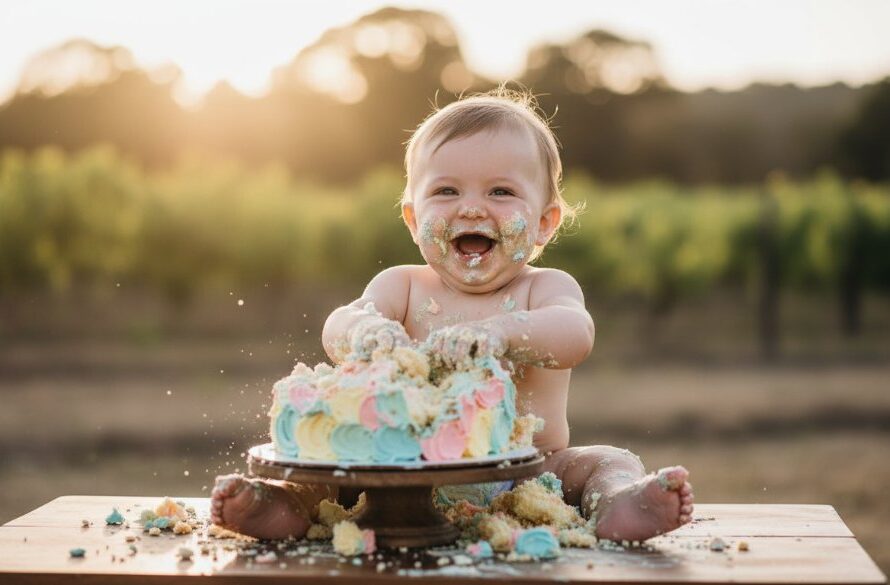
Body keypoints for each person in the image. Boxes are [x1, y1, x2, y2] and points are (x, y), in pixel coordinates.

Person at [211, 87, 694, 542]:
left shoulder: (543, 289)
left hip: (527, 471)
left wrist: (503, 334)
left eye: (501, 192)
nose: (471, 208)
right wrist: (366, 331)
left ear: (545, 222)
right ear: (414, 219)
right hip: (396, 472)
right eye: (445, 192)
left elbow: (576, 335)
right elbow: (339, 325)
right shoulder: (402, 286)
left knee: (605, 460)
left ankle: (620, 503)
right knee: (323, 475)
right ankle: (280, 505)